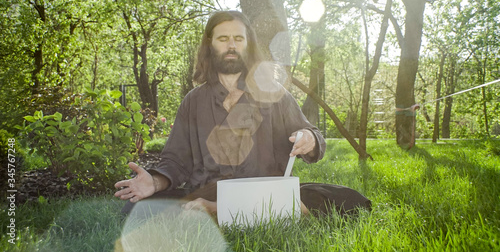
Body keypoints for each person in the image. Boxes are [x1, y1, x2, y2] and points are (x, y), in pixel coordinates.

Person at [115, 11, 369, 216]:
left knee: (350, 200)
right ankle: (244, 213)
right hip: (208, 191)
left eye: (239, 38)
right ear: (209, 44)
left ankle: (219, 214)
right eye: (223, 39)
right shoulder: (193, 101)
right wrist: (155, 182)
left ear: (248, 44)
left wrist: (309, 138)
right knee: (137, 207)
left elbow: (312, 134)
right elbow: (176, 161)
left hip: (262, 192)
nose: (232, 45)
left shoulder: (273, 93)